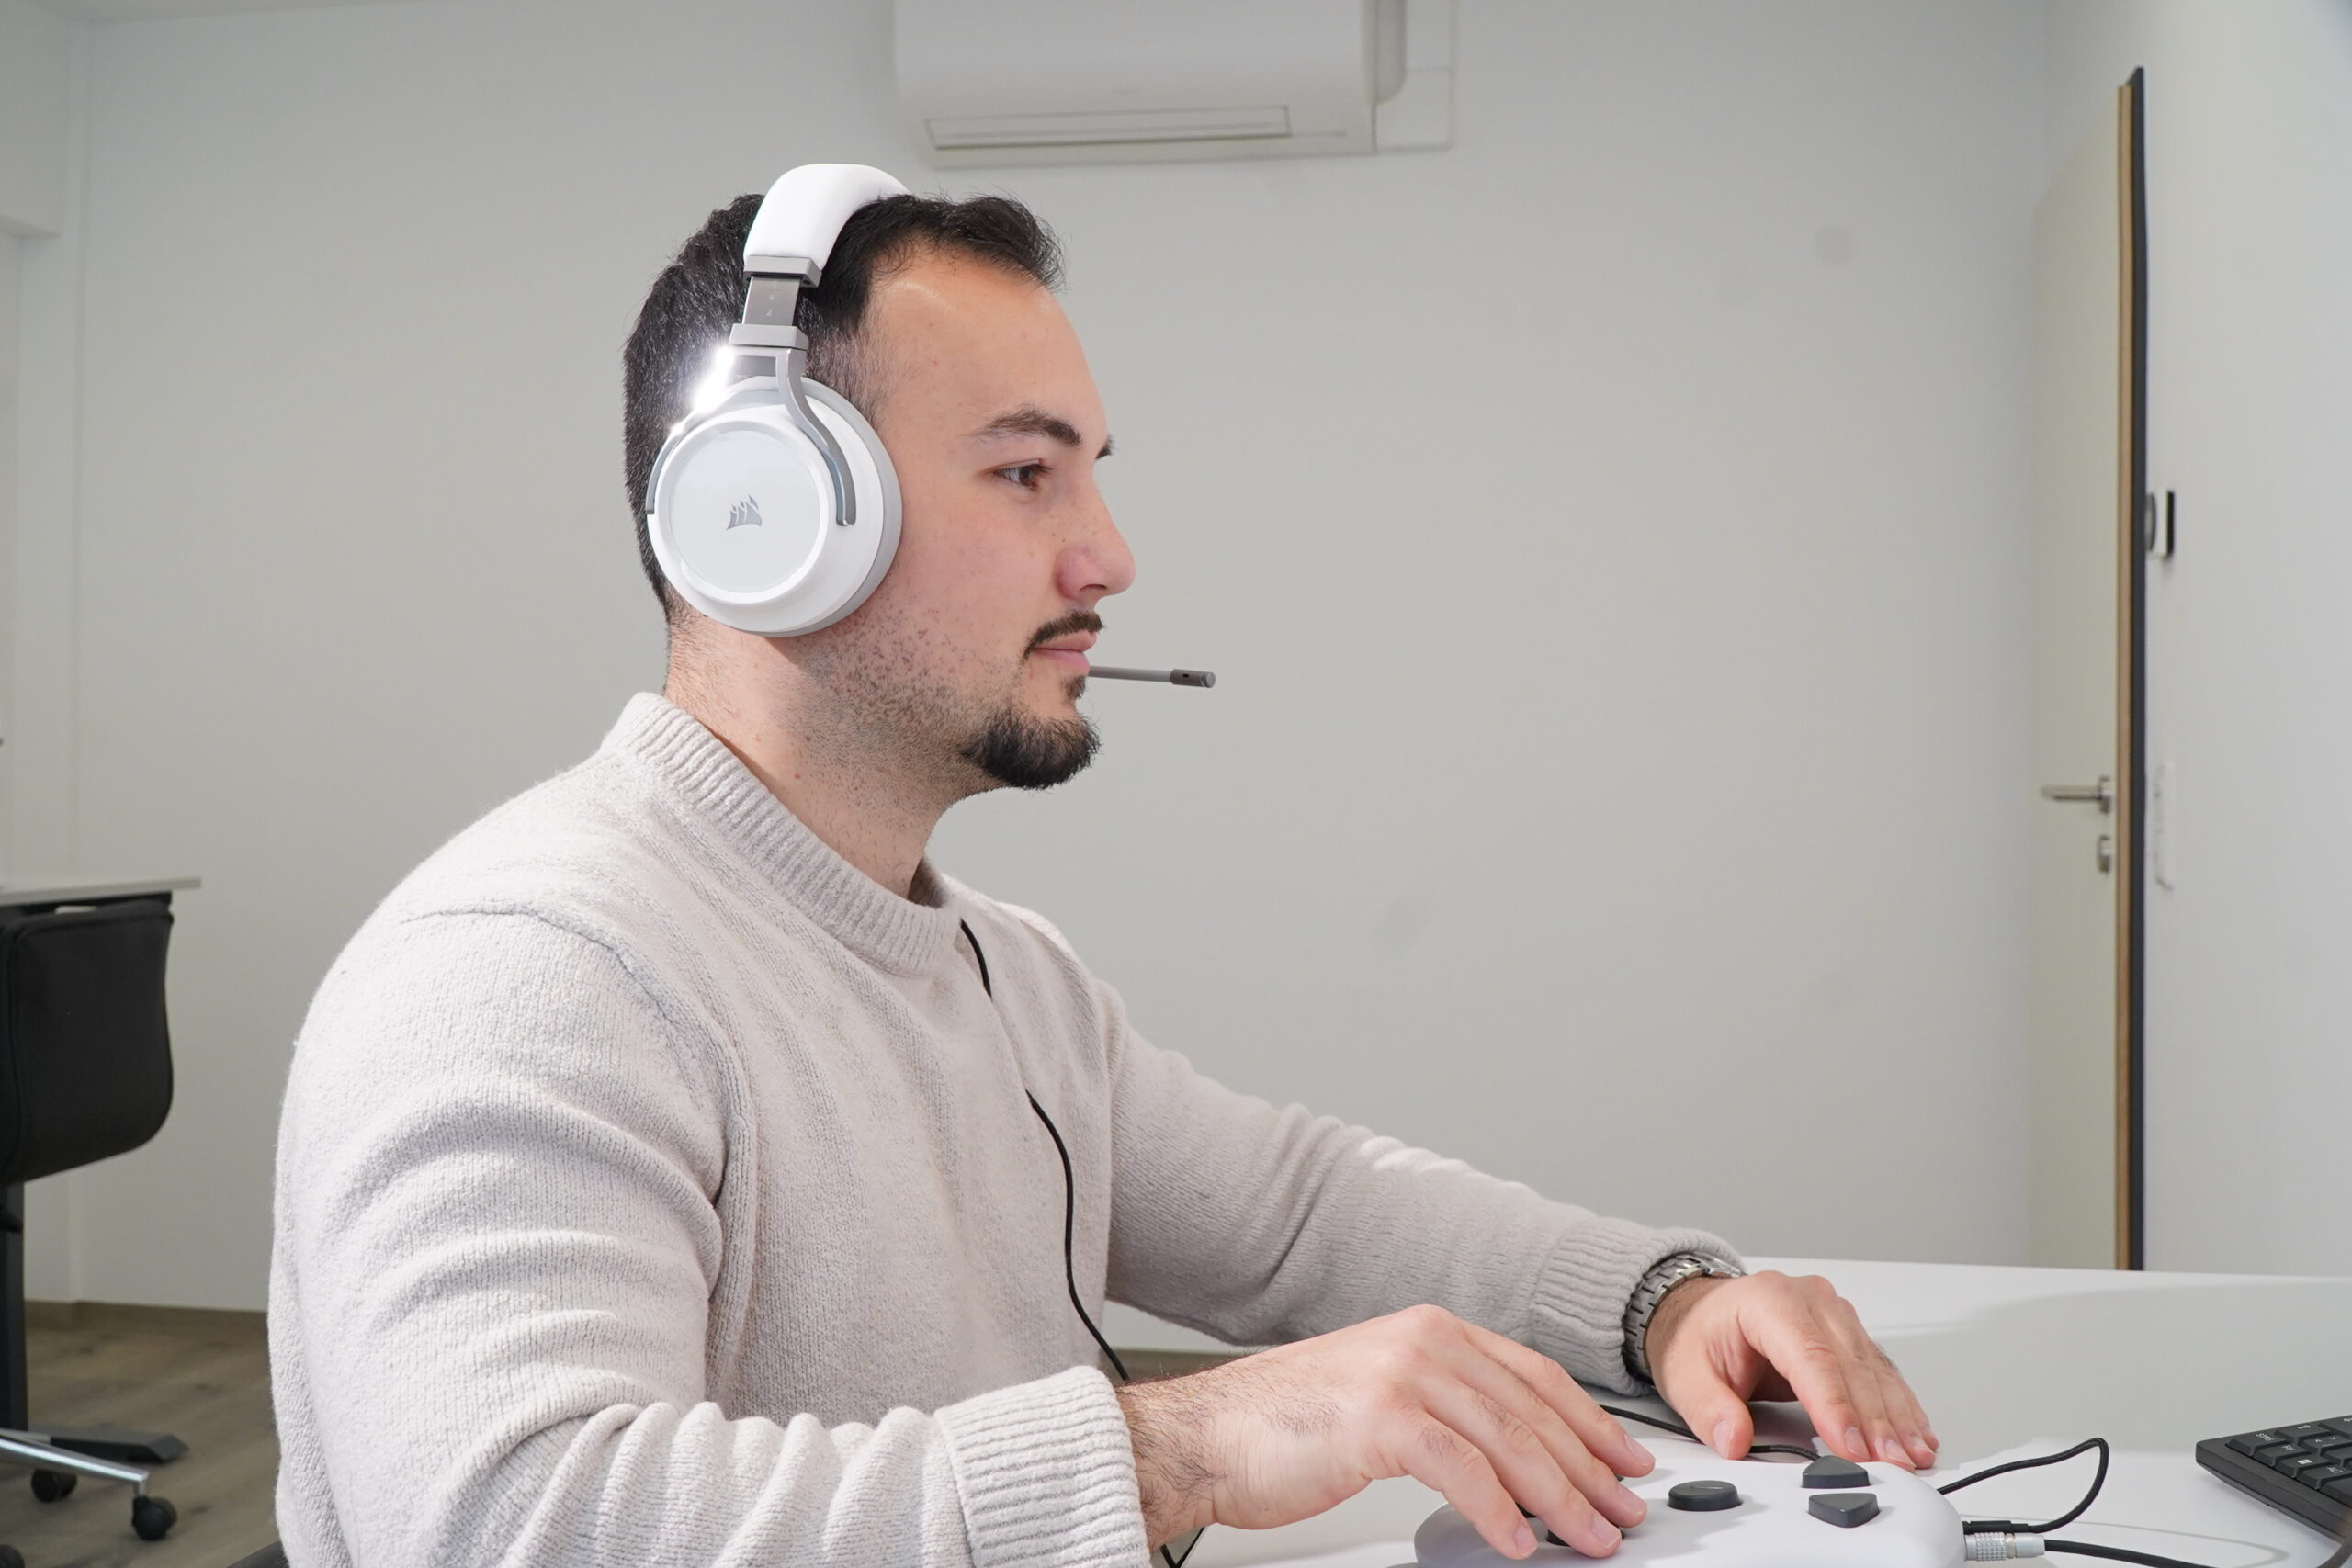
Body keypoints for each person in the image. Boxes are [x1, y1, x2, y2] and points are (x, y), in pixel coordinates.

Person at [268, 175, 1938, 1568]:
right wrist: (1187, 1450)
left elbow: (1295, 1212)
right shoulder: (527, 969)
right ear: (767, 518)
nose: (1109, 558)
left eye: (1092, 472)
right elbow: (511, 1522)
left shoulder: (994, 973)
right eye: (1023, 470)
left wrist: (1656, 1305)